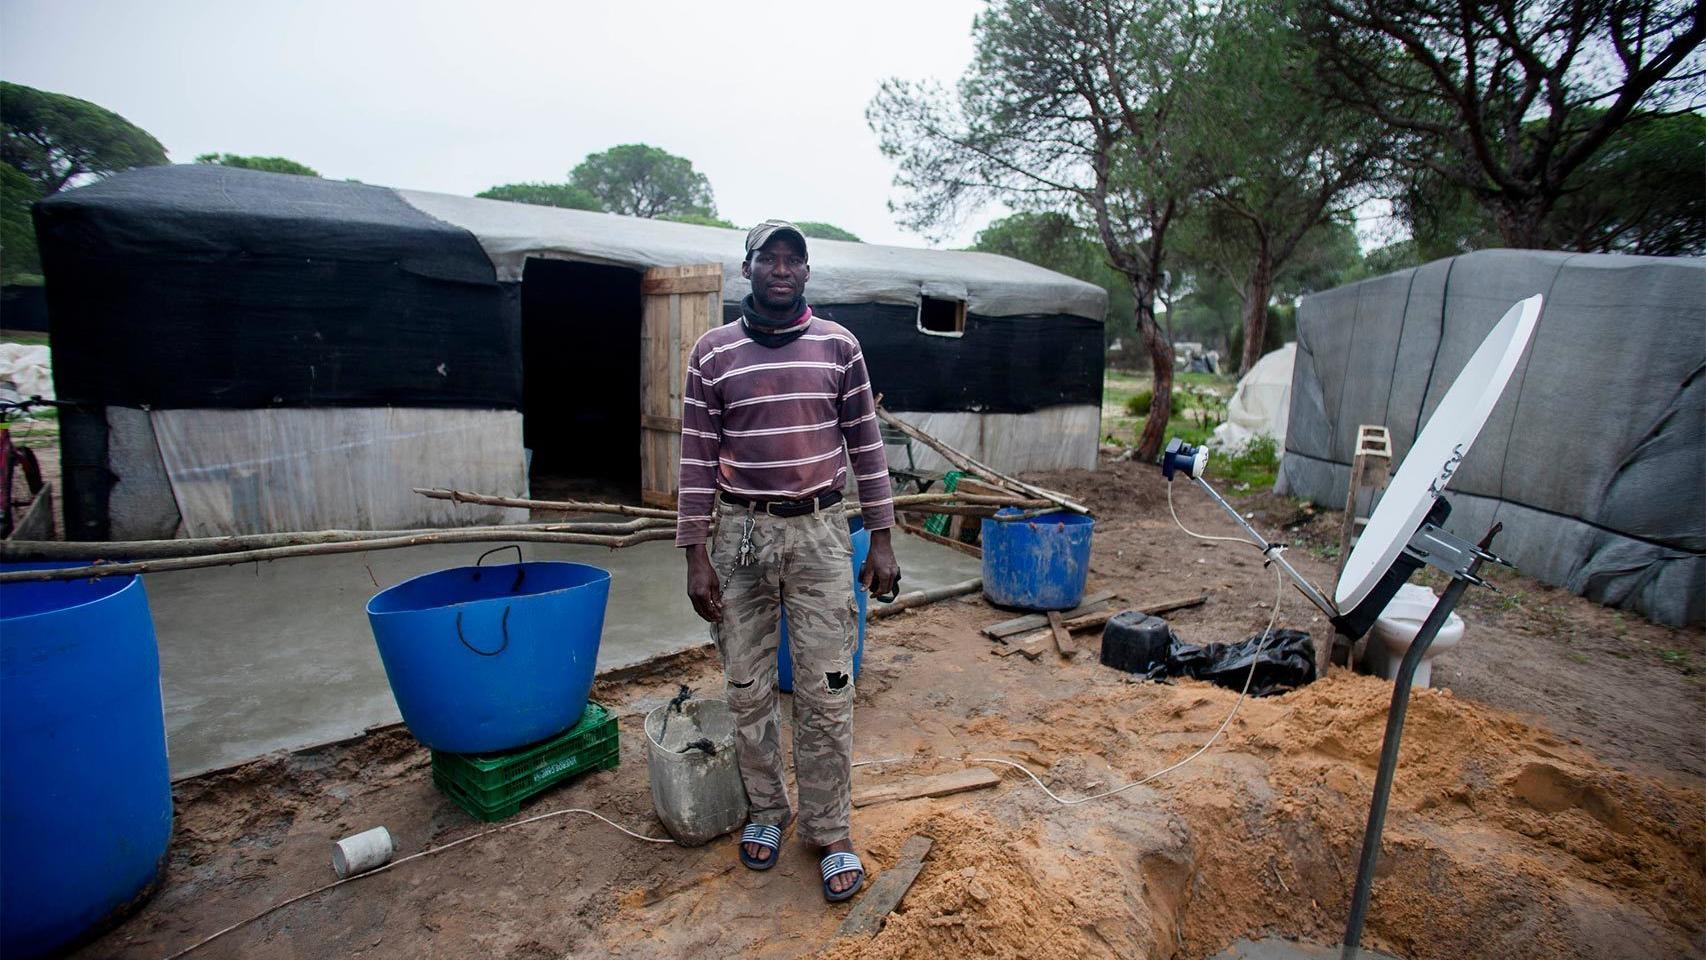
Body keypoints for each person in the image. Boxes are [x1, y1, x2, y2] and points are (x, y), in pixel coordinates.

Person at [676, 219, 901, 902]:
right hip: (740, 534)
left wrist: (882, 536)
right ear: (746, 270)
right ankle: (768, 810)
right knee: (746, 687)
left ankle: (830, 829)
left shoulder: (839, 346)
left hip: (822, 534)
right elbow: (694, 459)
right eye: (767, 258)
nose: (780, 269)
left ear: (806, 274)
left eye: (792, 260)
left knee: (828, 686)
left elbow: (865, 443)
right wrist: (694, 553)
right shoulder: (712, 354)